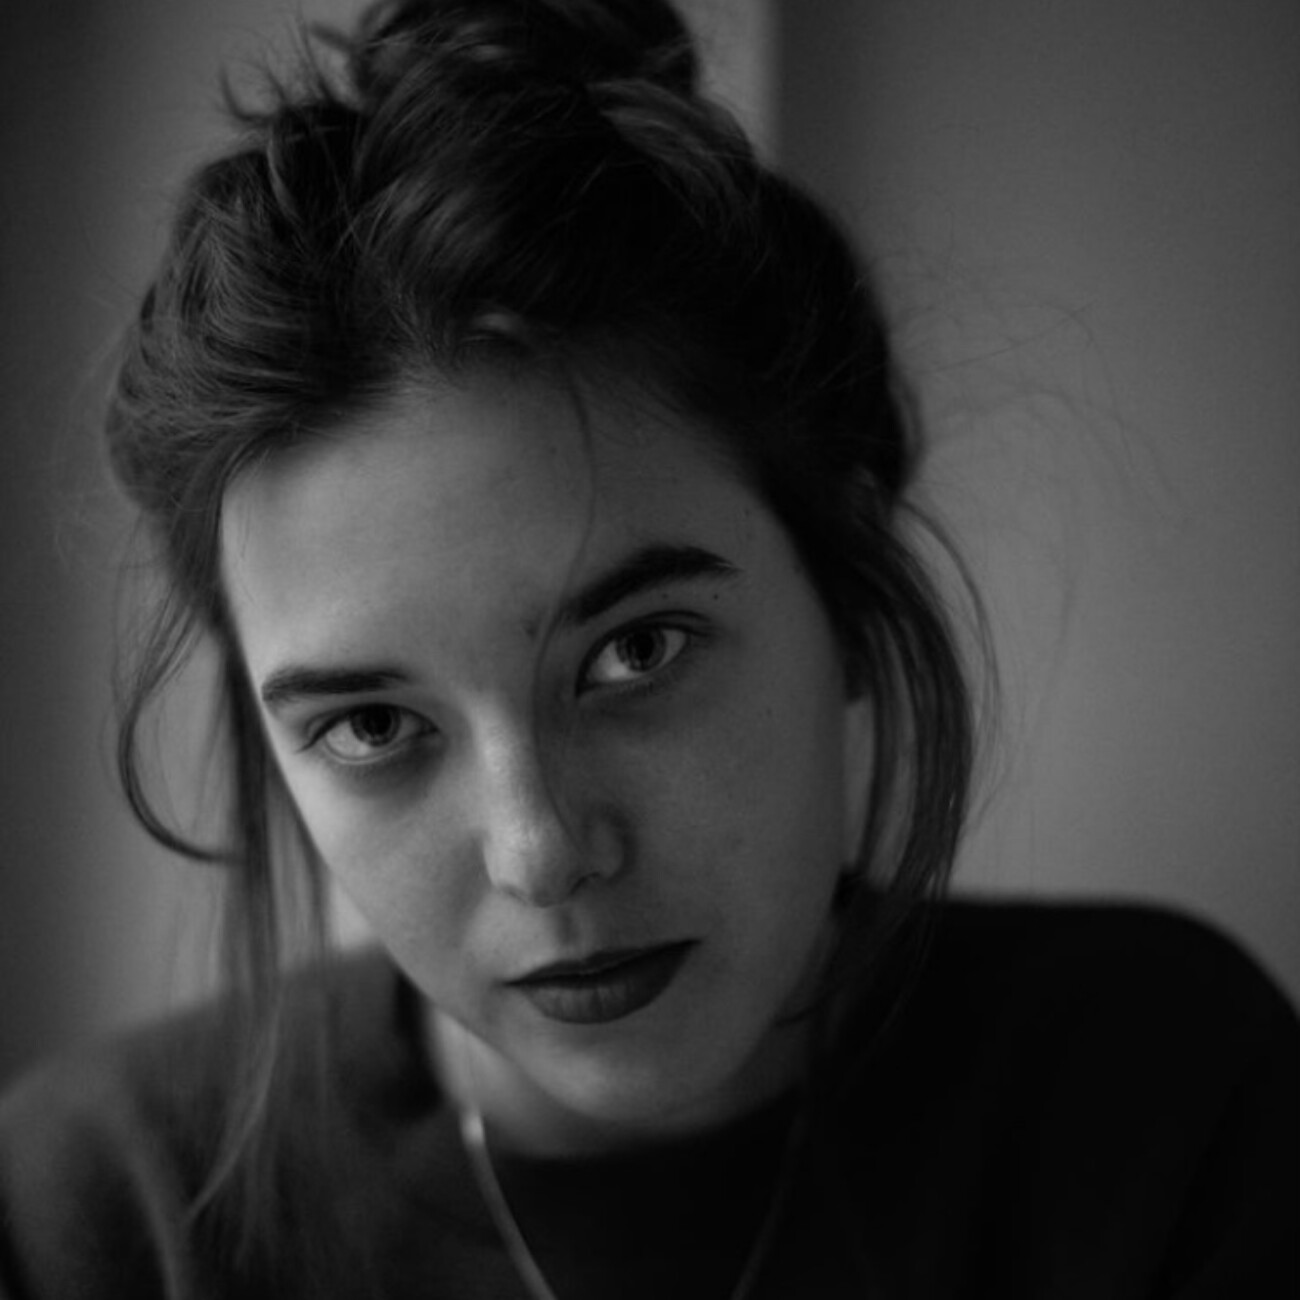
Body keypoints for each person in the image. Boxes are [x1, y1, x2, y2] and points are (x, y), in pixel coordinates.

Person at [1, 1, 1296, 1296]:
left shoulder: (1162, 1097)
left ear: (847, 588)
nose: (541, 853)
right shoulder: (108, 1212)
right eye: (374, 727)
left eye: (637, 652)